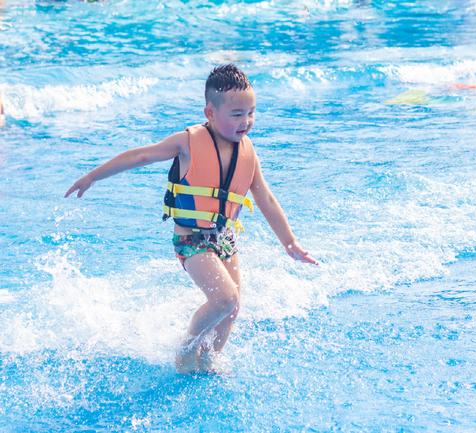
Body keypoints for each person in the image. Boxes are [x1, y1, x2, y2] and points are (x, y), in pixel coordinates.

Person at [64, 64, 318, 373]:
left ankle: (209, 358)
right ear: (210, 112)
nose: (246, 122)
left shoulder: (248, 151)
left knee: (232, 308)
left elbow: (265, 198)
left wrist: (289, 242)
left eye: (251, 113)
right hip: (191, 240)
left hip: (224, 239)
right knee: (224, 299)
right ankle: (185, 349)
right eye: (237, 114)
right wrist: (93, 177)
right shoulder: (188, 141)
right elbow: (141, 156)